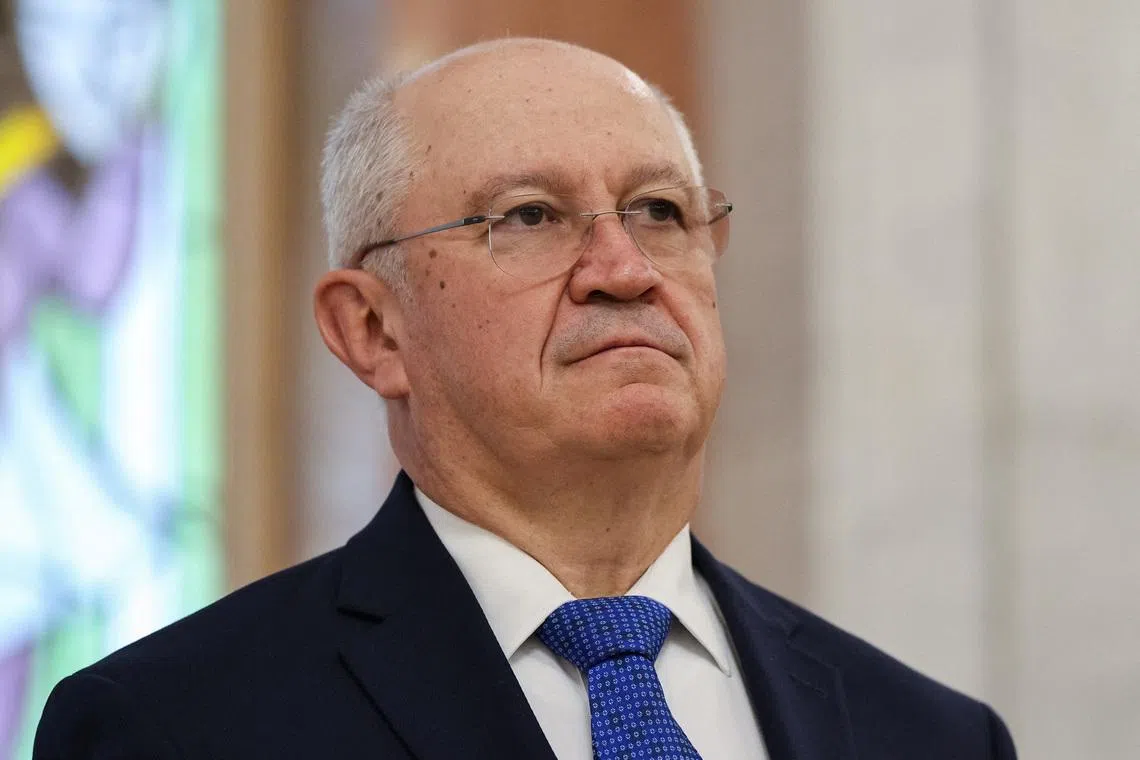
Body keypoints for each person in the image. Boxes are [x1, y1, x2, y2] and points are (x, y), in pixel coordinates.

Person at [33, 38, 1017, 759]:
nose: (624, 268)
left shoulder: (932, 736)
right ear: (373, 330)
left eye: (661, 211)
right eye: (532, 217)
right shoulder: (176, 726)